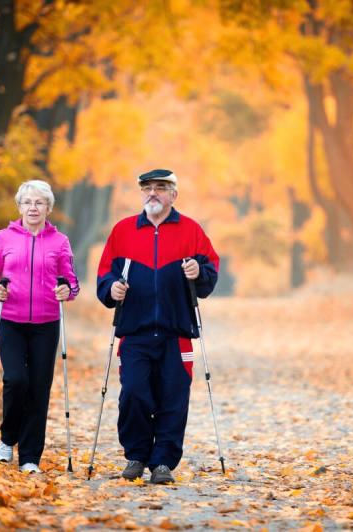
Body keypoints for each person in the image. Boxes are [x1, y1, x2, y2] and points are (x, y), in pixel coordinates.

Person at [96, 169, 219, 484]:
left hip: (176, 332)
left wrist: (198, 271)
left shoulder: (191, 230)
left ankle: (163, 462)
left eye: (161, 188)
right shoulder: (123, 230)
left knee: (173, 397)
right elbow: (105, 274)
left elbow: (210, 272)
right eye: (148, 188)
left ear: (173, 194)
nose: (153, 193)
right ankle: (136, 456)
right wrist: (111, 289)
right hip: (134, 332)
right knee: (134, 394)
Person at [0, 180, 80, 473]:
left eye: (39, 203)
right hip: (10, 320)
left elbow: (71, 282)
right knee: (15, 380)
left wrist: (67, 291)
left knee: (38, 388)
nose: (33, 208)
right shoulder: (3, 238)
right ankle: (8, 439)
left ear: (49, 208)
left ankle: (30, 457)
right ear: (19, 206)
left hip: (47, 324)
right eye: (27, 202)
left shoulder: (60, 242)